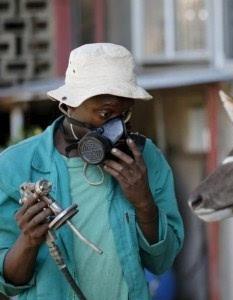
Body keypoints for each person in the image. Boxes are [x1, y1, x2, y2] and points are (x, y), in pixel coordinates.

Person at [0, 43, 184, 299]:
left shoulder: (146, 158)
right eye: (105, 113)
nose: (117, 127)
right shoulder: (14, 166)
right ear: (68, 105)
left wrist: (144, 204)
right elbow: (8, 283)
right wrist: (29, 241)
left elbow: (161, 263)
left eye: (125, 114)